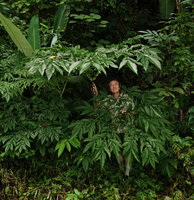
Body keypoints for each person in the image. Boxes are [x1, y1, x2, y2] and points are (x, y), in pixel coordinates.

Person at [92, 80, 134, 177]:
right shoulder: (108, 100)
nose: (114, 87)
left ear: (119, 86)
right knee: (117, 150)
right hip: (114, 129)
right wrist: (96, 93)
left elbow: (133, 111)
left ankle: (127, 170)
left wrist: (126, 113)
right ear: (110, 89)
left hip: (126, 128)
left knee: (126, 149)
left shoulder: (126, 98)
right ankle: (121, 168)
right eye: (111, 86)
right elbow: (98, 107)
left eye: (115, 85)